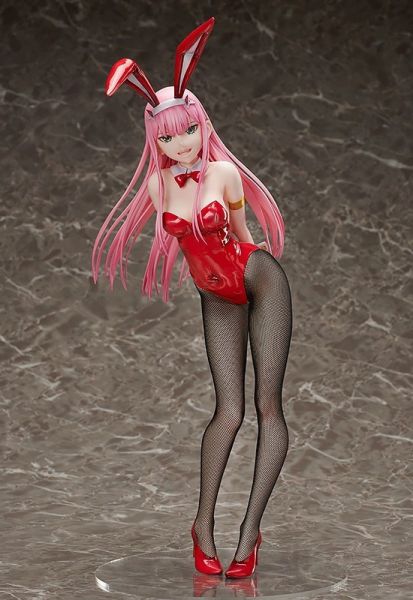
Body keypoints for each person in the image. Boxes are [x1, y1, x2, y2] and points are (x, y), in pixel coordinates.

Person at [91, 17, 293, 578]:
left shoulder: (224, 173)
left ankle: (249, 534)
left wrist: (251, 267)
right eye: (167, 137)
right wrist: (215, 284)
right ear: (154, 140)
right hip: (216, 294)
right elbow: (186, 249)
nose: (179, 145)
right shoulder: (158, 186)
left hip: (260, 279)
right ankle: (202, 525)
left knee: (268, 407)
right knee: (227, 412)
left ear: (202, 125)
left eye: (187, 131)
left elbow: (244, 236)